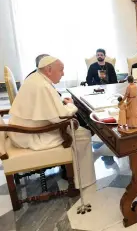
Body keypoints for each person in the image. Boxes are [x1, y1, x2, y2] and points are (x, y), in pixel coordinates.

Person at [8, 56, 96, 188]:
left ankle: (70, 170)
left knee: (78, 128)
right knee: (82, 134)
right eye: (61, 70)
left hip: (20, 132)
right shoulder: (43, 86)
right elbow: (59, 118)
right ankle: (82, 180)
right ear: (49, 70)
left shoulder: (34, 78)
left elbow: (49, 111)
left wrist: (63, 105)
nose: (63, 73)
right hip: (31, 136)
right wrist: (71, 105)